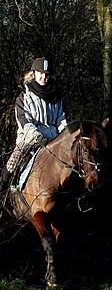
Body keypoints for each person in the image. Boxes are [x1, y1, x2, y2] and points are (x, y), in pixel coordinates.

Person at [1, 57, 67, 191]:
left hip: (54, 140)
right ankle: (4, 189)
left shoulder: (57, 97)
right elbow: (25, 123)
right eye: (40, 73)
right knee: (13, 161)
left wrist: (63, 137)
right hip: (30, 140)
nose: (44, 77)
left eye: (47, 74)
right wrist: (39, 138)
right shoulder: (23, 97)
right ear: (34, 73)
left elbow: (62, 120)